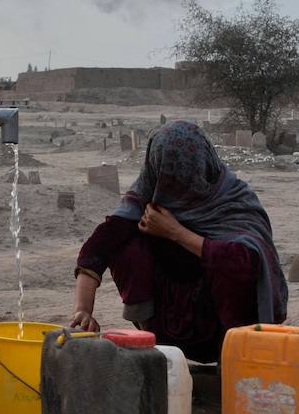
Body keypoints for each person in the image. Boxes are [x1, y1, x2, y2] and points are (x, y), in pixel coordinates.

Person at [70, 120, 286, 362]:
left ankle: (234, 361)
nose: (174, 188)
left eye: (183, 179)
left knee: (229, 264)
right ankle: (157, 352)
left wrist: (176, 232)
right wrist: (83, 310)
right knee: (128, 245)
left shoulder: (232, 200)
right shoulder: (148, 195)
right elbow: (100, 245)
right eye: (167, 178)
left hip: (224, 328)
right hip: (165, 326)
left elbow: (248, 262)